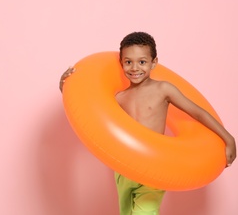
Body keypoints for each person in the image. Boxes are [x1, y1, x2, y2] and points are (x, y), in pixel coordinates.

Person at [59, 32, 236, 215]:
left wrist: (228, 138)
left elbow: (197, 113)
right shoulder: (119, 98)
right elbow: (86, 106)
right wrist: (67, 83)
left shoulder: (163, 89)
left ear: (154, 63)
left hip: (154, 168)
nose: (135, 68)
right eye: (128, 62)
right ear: (121, 63)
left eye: (142, 62)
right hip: (124, 168)